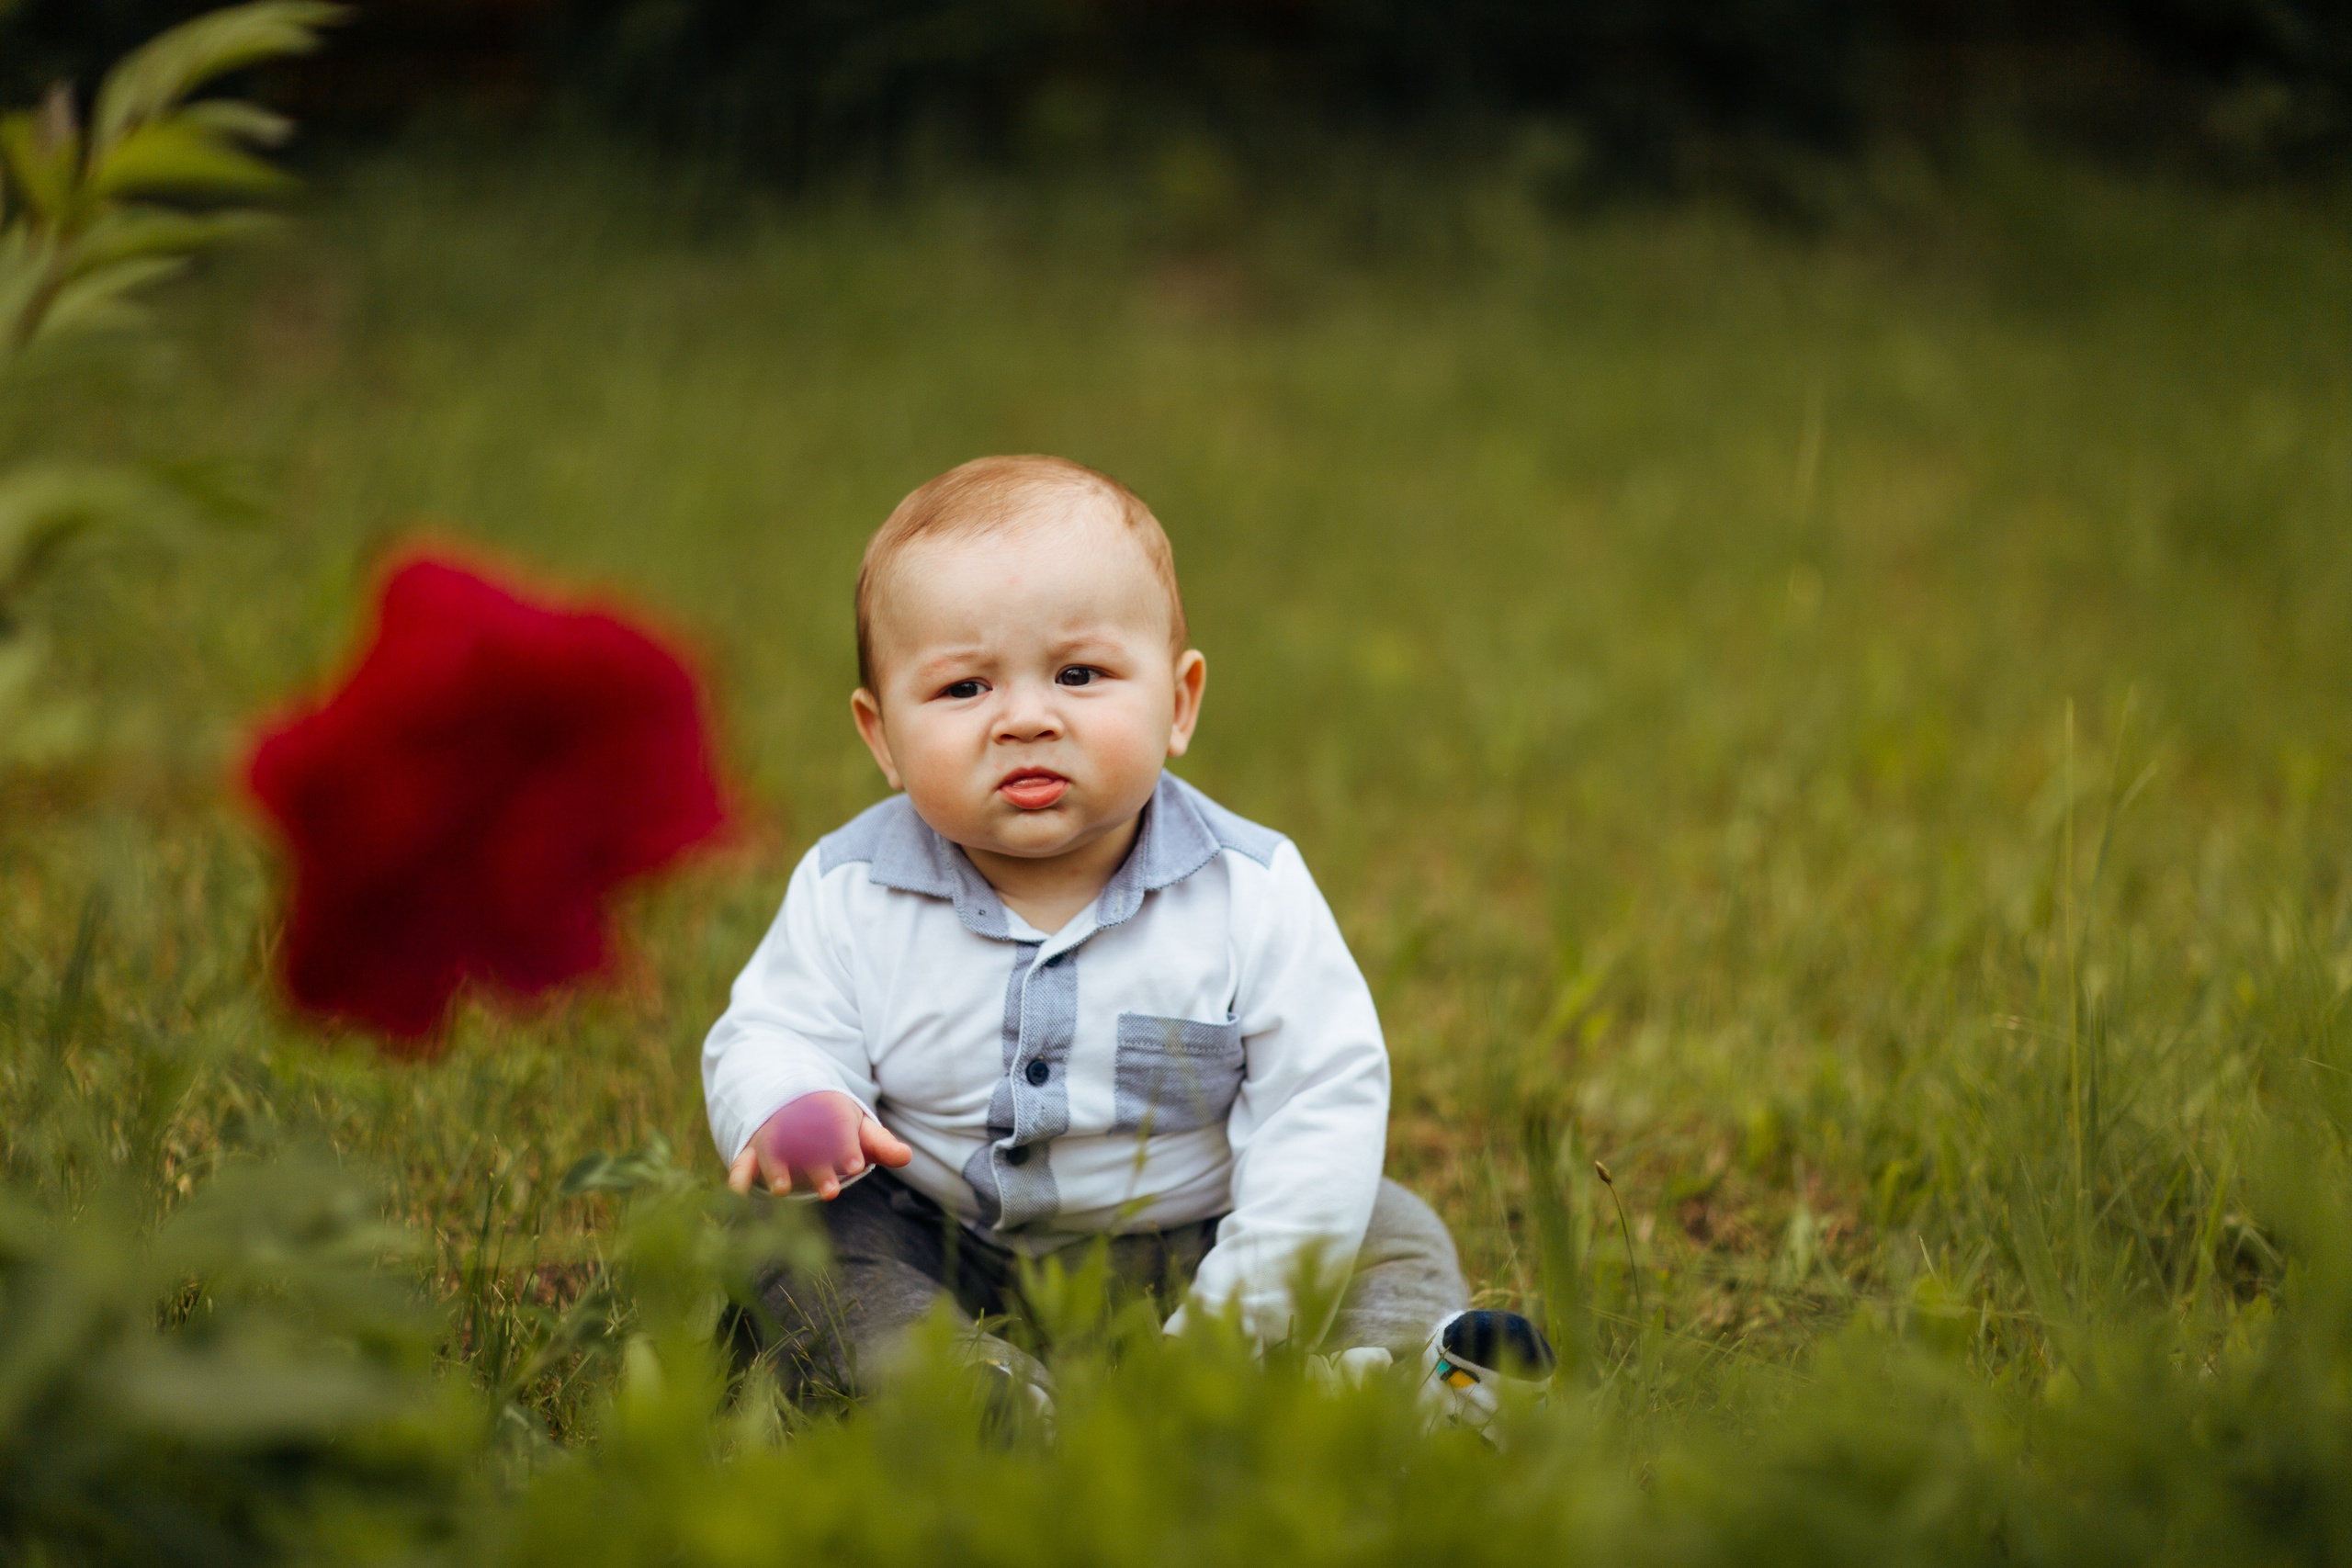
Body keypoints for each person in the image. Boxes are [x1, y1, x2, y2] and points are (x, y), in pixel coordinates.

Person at [703, 454, 1551, 1424]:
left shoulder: (1247, 891)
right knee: (789, 1240)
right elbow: (773, 1026)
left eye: (1079, 674)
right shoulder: (852, 890)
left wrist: (1230, 1325)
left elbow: (1318, 1099)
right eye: (964, 688)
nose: (1026, 719)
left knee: (1381, 1223)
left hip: (1199, 1236)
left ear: (1178, 703)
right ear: (882, 737)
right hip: (939, 1237)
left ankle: (1398, 1380)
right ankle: (965, 1393)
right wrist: (793, 1097)